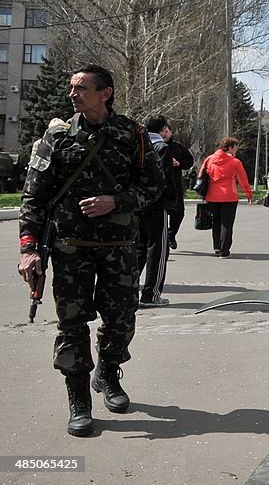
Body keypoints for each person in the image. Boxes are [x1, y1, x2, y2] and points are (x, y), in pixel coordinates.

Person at [17, 65, 164, 436]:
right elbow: (34, 196)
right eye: (71, 87)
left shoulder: (132, 135)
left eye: (81, 88)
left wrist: (116, 201)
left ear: (106, 93)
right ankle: (78, 399)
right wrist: (29, 248)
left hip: (119, 247)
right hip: (70, 248)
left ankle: (109, 374)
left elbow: (154, 187)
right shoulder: (57, 136)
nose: (73, 94)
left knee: (121, 321)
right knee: (72, 325)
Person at [136, 115, 178, 307]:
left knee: (138, 249)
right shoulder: (162, 148)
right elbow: (165, 179)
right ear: (162, 130)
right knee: (158, 250)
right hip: (156, 205)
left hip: (136, 204)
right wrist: (171, 200)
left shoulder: (137, 145)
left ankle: (128, 292)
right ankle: (151, 294)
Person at [199, 137, 253, 258]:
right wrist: (248, 194)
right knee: (227, 224)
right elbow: (243, 180)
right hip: (229, 196)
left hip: (212, 196)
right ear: (230, 147)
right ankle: (224, 251)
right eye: (235, 147)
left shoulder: (209, 159)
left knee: (216, 222)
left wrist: (203, 193)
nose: (237, 149)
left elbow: (201, 176)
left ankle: (217, 247)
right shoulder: (235, 162)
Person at [159, 119, 194, 250]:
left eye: (166, 131)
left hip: (175, 184)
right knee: (159, 214)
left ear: (171, 133)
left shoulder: (178, 147)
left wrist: (178, 163)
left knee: (178, 213)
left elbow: (189, 161)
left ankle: (170, 234)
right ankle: (159, 238)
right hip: (159, 186)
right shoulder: (154, 146)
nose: (164, 134)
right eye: (162, 131)